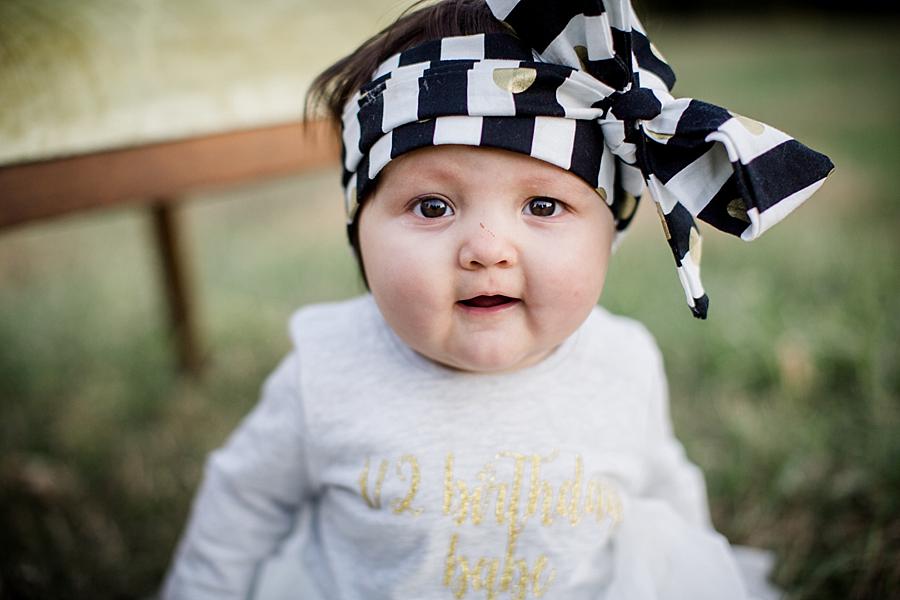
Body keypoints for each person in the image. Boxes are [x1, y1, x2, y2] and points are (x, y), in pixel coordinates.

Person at [162, 1, 833, 598]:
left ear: (611, 230)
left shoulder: (623, 363)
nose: (486, 248)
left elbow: (664, 494)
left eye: (542, 204)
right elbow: (241, 507)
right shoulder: (327, 369)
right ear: (357, 231)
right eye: (432, 205)